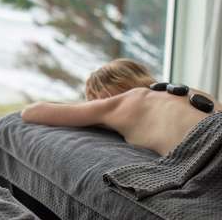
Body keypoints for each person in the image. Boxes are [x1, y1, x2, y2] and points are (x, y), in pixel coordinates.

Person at [21, 58, 221, 156]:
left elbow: (31, 112)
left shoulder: (122, 102)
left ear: (102, 95)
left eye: (93, 100)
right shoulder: (188, 92)